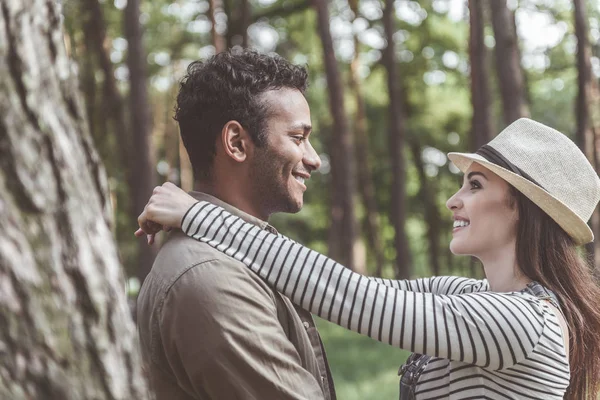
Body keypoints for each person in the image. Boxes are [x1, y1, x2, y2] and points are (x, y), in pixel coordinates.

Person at [137, 118, 600, 399]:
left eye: (475, 186)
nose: (452, 201)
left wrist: (199, 215)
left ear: (524, 208)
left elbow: (353, 298)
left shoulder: (522, 322)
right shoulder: (468, 294)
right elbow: (342, 287)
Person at [136, 49, 337, 400]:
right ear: (236, 143)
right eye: (297, 137)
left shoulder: (237, 258)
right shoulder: (211, 277)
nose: (314, 159)